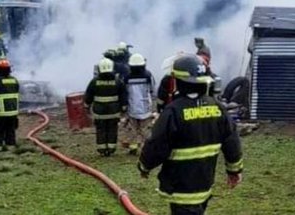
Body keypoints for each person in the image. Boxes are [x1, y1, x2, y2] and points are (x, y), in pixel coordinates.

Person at [138, 55, 243, 215]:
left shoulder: (173, 111)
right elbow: (232, 141)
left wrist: (145, 166)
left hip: (180, 188)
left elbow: (157, 144)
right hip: (205, 186)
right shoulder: (217, 108)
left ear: (178, 81)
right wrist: (234, 170)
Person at [84, 58, 127, 156]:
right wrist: (124, 107)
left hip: (99, 112)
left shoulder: (94, 81)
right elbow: (123, 95)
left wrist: (87, 106)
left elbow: (88, 96)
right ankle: (111, 149)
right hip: (114, 111)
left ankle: (102, 150)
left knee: (100, 129)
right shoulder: (118, 81)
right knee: (112, 129)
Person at [124, 53, 156, 154]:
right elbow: (153, 90)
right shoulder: (148, 76)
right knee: (145, 130)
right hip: (145, 108)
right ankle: (146, 147)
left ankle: (133, 147)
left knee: (132, 129)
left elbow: (124, 92)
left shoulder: (127, 77)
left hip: (132, 108)